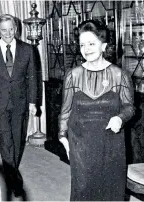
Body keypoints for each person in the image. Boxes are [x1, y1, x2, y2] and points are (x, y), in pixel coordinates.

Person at [58, 19, 134, 201]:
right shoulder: (73, 75)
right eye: (82, 44)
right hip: (81, 144)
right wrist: (63, 138)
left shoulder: (119, 75)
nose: (86, 49)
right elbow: (65, 111)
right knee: (83, 189)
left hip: (111, 144)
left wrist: (120, 118)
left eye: (91, 43)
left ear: (104, 45)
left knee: (111, 190)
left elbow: (130, 107)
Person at [0, 14, 37, 197]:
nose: (8, 33)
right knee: (6, 142)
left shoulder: (28, 49)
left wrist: (33, 102)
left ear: (16, 29)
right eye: (3, 30)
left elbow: (32, 78)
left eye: (11, 29)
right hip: (0, 104)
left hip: (21, 103)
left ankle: (11, 173)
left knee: (19, 141)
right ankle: (13, 180)